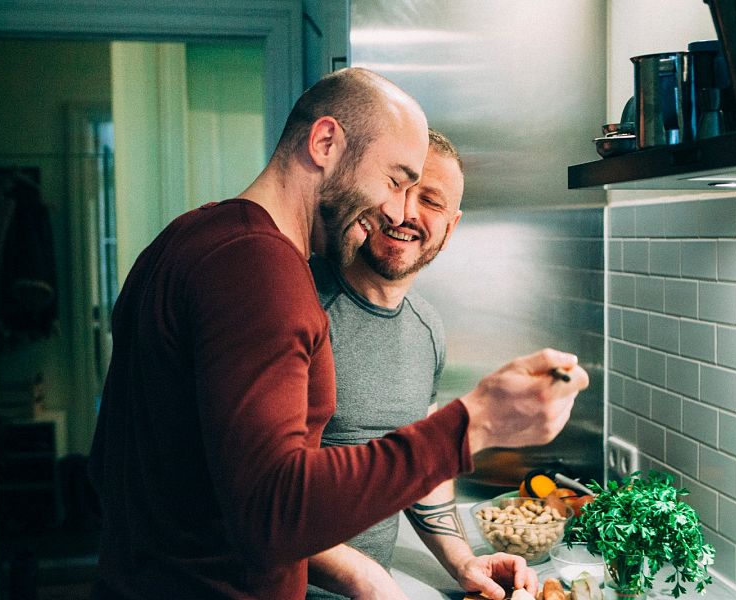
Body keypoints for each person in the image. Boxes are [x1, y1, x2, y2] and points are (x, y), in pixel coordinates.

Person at [88, 67, 588, 600]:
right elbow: (272, 515)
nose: (394, 209)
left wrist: (456, 554)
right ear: (325, 142)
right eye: (395, 181)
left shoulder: (193, 236)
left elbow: (115, 462)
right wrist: (474, 423)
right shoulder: (260, 272)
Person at [307, 129, 535, 600]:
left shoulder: (426, 329)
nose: (406, 212)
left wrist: (464, 561)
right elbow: (251, 491)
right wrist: (364, 579)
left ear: (450, 228)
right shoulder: (299, 305)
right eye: (397, 188)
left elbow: (421, 469)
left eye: (430, 200)